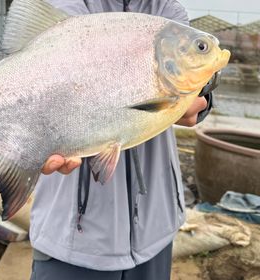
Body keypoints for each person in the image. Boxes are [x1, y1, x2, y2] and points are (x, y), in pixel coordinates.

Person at [30, 0, 215, 279]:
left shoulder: (166, 9)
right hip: (73, 237)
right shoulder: (63, 6)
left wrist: (204, 93)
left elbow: (196, 67)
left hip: (155, 228)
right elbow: (32, 78)